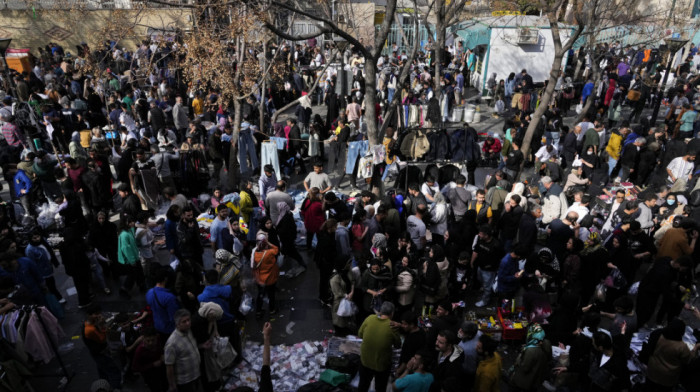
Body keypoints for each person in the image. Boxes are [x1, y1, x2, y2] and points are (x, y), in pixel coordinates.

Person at [357, 301, 401, 392]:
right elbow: (398, 345)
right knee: (380, 388)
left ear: (380, 311)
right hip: (381, 365)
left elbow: (360, 334)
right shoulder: (392, 326)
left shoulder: (369, 318)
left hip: (365, 361)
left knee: (363, 385)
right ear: (392, 313)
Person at [83, 304, 122, 390]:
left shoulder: (88, 324)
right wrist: (102, 325)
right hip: (100, 353)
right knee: (114, 372)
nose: (99, 315)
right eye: (96, 314)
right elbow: (102, 339)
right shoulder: (90, 330)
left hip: (97, 352)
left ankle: (103, 386)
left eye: (99, 313)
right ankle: (116, 388)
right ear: (89, 315)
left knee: (102, 370)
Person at [165, 309, 203, 392]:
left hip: (196, 375)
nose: (188, 323)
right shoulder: (171, 343)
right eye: (184, 321)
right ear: (177, 324)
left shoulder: (189, 331)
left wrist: (202, 346)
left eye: (188, 320)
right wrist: (172, 385)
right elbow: (169, 367)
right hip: (185, 382)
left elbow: (190, 349)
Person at [508, 324, 552, 392]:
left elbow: (525, 368)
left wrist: (520, 357)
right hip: (536, 381)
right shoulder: (546, 343)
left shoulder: (531, 350)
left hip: (524, 382)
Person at [471, 225, 503, 307]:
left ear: (487, 235)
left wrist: (493, 267)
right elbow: (476, 251)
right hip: (480, 267)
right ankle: (483, 293)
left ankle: (485, 301)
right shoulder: (480, 240)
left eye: (481, 234)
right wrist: (472, 262)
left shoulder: (496, 245)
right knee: (481, 280)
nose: (479, 235)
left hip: (489, 270)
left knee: (487, 286)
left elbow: (498, 259)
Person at [146, 267, 180, 341]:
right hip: (170, 330)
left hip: (157, 326)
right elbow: (174, 317)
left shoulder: (149, 292)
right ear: (165, 279)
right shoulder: (169, 297)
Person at [131, 327, 167, 392]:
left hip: (161, 370)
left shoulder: (159, 340)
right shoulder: (140, 351)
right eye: (148, 340)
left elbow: (161, 348)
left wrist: (162, 354)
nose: (150, 343)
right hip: (150, 375)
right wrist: (152, 365)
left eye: (153, 340)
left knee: (165, 386)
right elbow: (135, 368)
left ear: (156, 337)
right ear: (143, 339)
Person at [252, 233, 280, 317]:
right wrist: (268, 242)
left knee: (260, 295)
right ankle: (272, 310)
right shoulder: (269, 253)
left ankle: (258, 312)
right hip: (270, 279)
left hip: (260, 279)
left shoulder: (255, 254)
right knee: (271, 295)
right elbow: (276, 248)